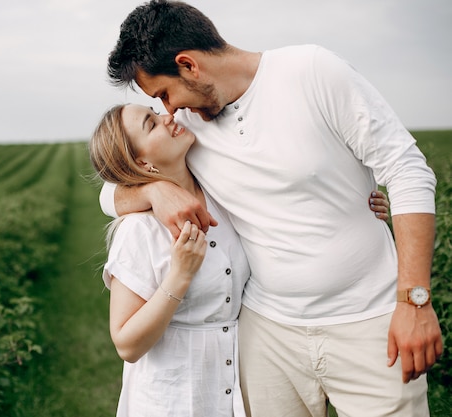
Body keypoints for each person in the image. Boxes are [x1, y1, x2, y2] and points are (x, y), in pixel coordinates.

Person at [99, 1, 443, 416]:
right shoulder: (187, 125)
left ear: (188, 65)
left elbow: (408, 171)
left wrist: (414, 301)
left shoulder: (312, 72)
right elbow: (113, 186)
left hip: (371, 322)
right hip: (267, 333)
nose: (167, 110)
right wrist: (155, 192)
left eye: (164, 94)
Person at [89, 103, 389, 417]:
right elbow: (127, 344)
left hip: (234, 386)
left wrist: (357, 204)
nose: (168, 117)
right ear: (143, 162)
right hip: (173, 397)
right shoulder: (139, 229)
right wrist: (179, 275)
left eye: (156, 111)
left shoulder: (221, 197)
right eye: (151, 124)